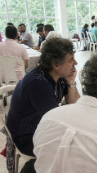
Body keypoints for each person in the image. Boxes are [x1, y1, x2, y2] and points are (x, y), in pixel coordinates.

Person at [6, 37, 80, 172]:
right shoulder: (38, 84)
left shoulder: (59, 76)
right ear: (56, 65)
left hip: (39, 126)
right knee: (73, 149)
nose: (75, 63)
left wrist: (71, 82)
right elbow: (58, 121)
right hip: (25, 136)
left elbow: (74, 103)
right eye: (71, 60)